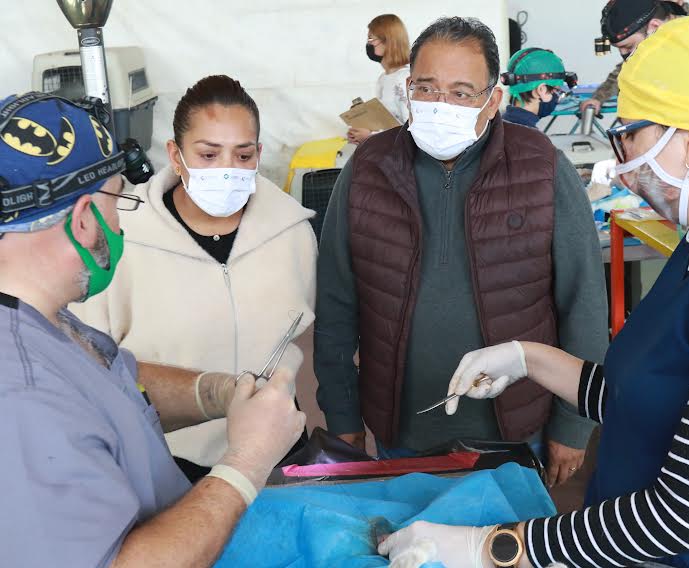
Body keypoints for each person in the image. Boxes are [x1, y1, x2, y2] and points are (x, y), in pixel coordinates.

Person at [379, 14, 689, 567]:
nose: (621, 167)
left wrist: (496, 548)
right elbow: (646, 401)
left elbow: (684, 515)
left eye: (628, 136)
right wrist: (528, 357)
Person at [0, 92, 306, 566]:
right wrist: (247, 461)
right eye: (118, 198)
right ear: (84, 220)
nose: (120, 223)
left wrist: (218, 393)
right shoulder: (20, 391)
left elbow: (112, 390)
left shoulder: (44, 321)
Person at [315, 17, 609, 487]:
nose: (440, 105)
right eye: (426, 88)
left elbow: (584, 304)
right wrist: (342, 414)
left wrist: (574, 425)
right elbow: (335, 303)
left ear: (493, 100)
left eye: (461, 92)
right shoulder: (368, 169)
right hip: (400, 431)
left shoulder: (540, 166)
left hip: (518, 429)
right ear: (407, 89)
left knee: (503, 550)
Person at [73, 75, 317, 481]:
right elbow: (92, 355)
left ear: (259, 153)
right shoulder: (124, 237)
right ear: (175, 154)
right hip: (166, 456)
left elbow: (305, 335)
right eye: (208, 155)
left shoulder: (291, 230)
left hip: (278, 444)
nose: (227, 170)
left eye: (243, 156)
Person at [579, 0, 689, 117]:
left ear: (655, 26)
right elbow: (624, 70)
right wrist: (597, 98)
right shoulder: (647, 31)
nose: (626, 56)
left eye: (629, 47)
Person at [348, 14, 411, 145]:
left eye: (371, 38)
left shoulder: (403, 78)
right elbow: (387, 122)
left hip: (398, 156)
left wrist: (370, 136)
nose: (368, 44)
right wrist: (360, 131)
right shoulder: (383, 78)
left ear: (388, 41)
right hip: (384, 151)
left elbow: (409, 129)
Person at [502, 47, 571, 129]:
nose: (557, 96)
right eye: (556, 90)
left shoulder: (501, 123)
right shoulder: (533, 138)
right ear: (542, 89)